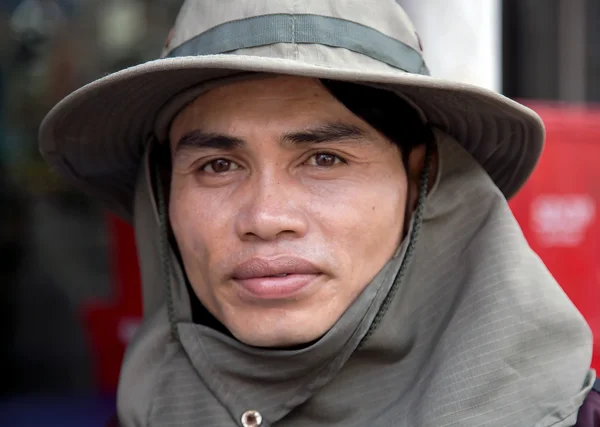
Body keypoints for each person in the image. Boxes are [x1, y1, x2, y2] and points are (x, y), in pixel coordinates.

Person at [39, 1, 598, 426]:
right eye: (216, 166)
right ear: (162, 197)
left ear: (421, 180)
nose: (265, 216)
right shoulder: (143, 412)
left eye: (324, 158)